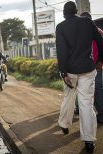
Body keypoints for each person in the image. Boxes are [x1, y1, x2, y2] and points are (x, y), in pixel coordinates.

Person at [56, 1, 103, 153]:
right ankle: (89, 140)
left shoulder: (61, 27)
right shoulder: (87, 22)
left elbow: (61, 52)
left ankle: (64, 124)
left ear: (64, 13)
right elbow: (100, 41)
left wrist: (63, 73)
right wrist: (99, 60)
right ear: (76, 11)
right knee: (86, 104)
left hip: (70, 71)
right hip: (88, 70)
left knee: (68, 97)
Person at [74, 12, 103, 122]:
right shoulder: (99, 32)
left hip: (88, 65)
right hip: (96, 64)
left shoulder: (80, 33)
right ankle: (99, 115)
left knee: (84, 89)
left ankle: (85, 114)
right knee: (98, 89)